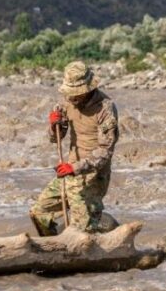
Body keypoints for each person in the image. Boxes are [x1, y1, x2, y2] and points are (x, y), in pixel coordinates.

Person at [30, 61, 119, 236]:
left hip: (93, 173)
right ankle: (55, 247)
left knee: (82, 227)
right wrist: (55, 124)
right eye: (70, 93)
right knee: (38, 212)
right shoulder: (65, 103)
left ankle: (89, 247)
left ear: (87, 89)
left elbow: (105, 152)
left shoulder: (105, 108)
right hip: (69, 170)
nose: (72, 98)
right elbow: (55, 138)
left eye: (76, 94)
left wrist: (75, 167)